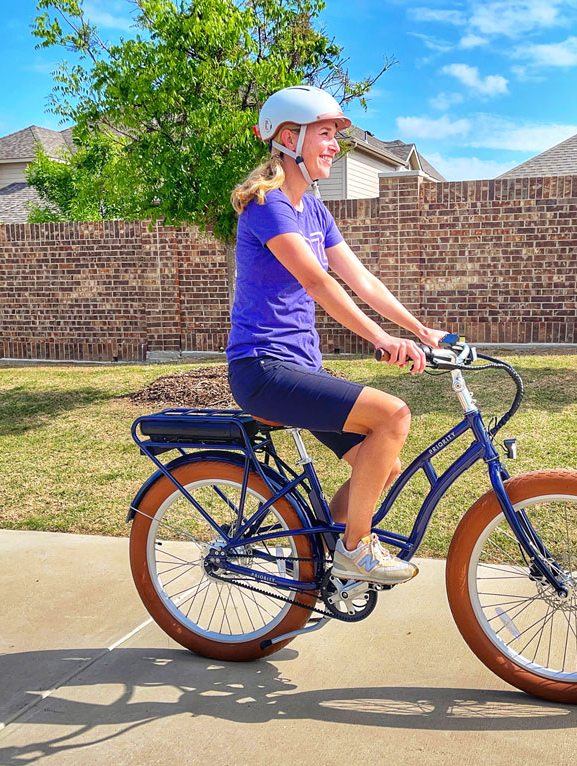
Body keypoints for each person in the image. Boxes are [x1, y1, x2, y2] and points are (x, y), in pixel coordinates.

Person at [227, 85, 446, 585]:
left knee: (382, 464)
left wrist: (418, 329)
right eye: (325, 134)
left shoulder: (315, 211)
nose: (334, 145)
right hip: (262, 369)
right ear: (289, 138)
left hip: (298, 367)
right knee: (393, 415)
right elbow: (317, 281)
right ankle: (354, 549)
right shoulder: (268, 205)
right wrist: (381, 340)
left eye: (334, 136)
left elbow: (360, 278)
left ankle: (320, 555)